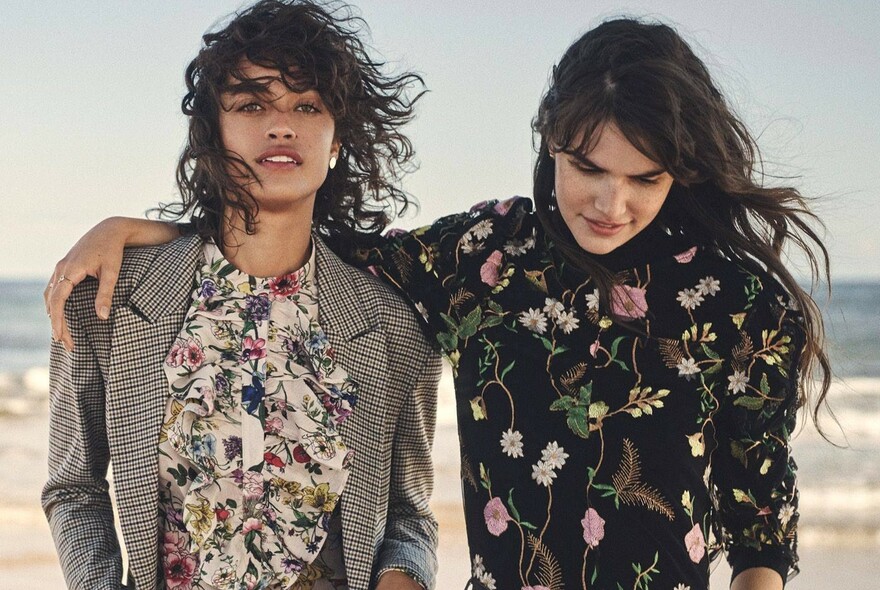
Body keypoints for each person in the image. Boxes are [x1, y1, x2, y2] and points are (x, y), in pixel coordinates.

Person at [46, 16, 832, 590]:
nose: (610, 202)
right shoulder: (479, 261)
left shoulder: (740, 304)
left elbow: (762, 528)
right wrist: (146, 231)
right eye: (587, 166)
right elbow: (299, 238)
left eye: (646, 177)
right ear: (549, 141)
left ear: (681, 172)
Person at [41, 2, 441, 590]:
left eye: (307, 105)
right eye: (252, 104)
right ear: (213, 131)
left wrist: (404, 576)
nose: (282, 125)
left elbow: (410, 515)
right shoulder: (106, 299)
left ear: (336, 141)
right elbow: (74, 489)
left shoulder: (394, 327)